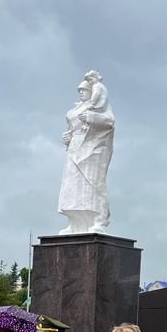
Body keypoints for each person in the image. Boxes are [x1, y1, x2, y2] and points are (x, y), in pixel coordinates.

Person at [57, 70, 115, 235]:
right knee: (73, 186)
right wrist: (67, 138)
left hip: (93, 152)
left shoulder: (99, 107)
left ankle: (98, 219)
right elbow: (71, 130)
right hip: (75, 151)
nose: (81, 93)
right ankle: (75, 221)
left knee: (94, 184)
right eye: (79, 91)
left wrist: (90, 117)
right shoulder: (76, 110)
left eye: (84, 90)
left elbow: (109, 122)